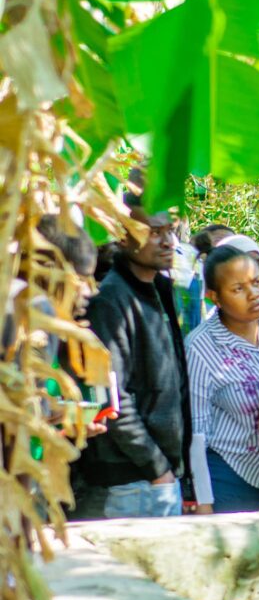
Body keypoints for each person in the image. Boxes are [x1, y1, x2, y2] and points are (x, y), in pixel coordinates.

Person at [78, 205, 191, 519]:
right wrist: (157, 469)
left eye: (170, 230)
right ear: (122, 237)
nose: (169, 241)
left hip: (159, 476)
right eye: (155, 232)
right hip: (130, 481)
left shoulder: (160, 290)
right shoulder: (110, 299)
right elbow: (112, 397)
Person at [185, 246, 259, 514]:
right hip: (232, 474)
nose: (253, 294)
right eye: (238, 289)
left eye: (257, 282)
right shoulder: (200, 347)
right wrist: (204, 503)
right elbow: (196, 433)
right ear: (214, 297)